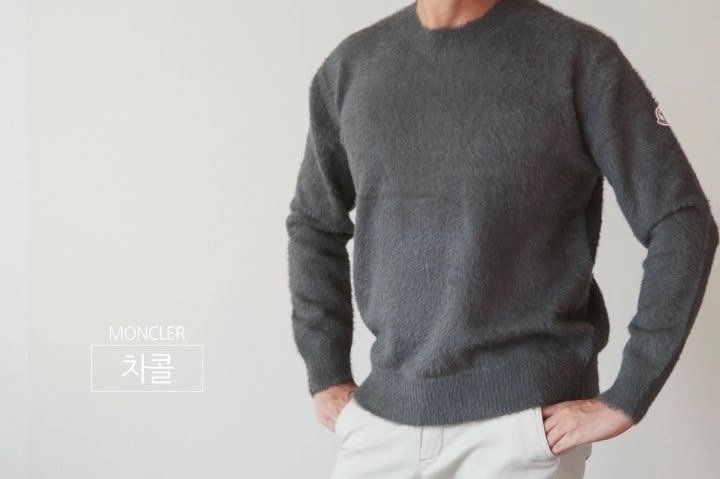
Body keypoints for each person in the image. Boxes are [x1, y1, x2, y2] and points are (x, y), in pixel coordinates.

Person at [285, 0, 719, 477]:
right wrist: (325, 369)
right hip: (383, 419)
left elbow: (681, 218)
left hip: (523, 430)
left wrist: (629, 393)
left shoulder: (578, 59)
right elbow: (314, 224)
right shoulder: (351, 68)